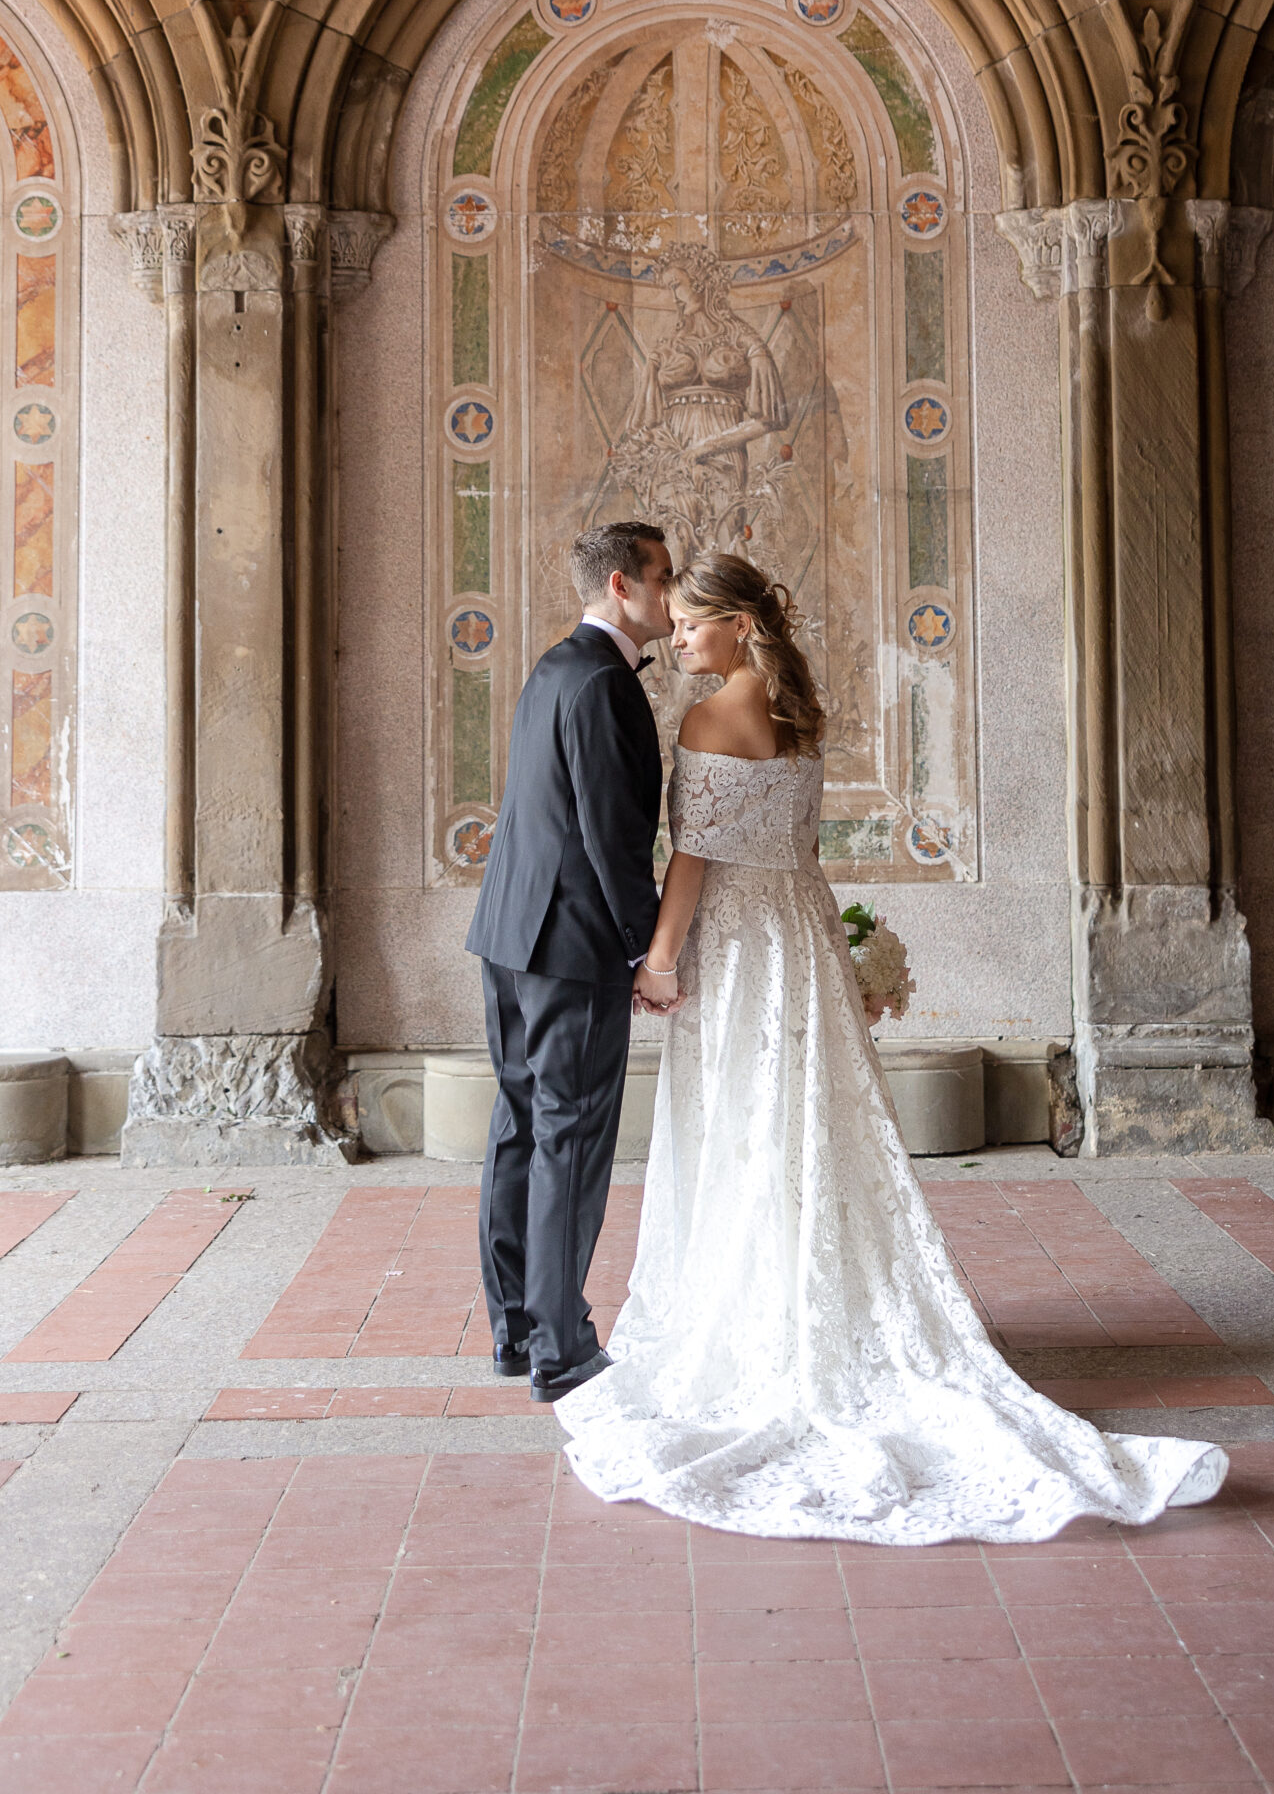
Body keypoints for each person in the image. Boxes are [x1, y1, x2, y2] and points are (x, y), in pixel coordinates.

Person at [556, 551, 1229, 1544]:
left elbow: (695, 859)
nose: (682, 635)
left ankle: (758, 1319)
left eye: (697, 621)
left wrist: (658, 960)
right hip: (804, 935)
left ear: (742, 624)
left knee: (745, 1124)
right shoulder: (797, 715)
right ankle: (805, 1298)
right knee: (805, 1126)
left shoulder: (706, 719)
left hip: (743, 948)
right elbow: (802, 851)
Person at [466, 520, 674, 1403]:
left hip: (510, 933)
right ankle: (560, 1347)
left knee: (522, 1125)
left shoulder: (556, 666)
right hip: (571, 944)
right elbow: (610, 837)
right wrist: (646, 950)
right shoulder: (600, 683)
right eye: (665, 576)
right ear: (622, 585)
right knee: (569, 1138)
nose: (676, 591)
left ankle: (517, 1330)